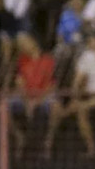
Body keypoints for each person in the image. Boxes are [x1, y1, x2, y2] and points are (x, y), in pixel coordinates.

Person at [8, 32, 60, 160]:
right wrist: (27, 102)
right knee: (3, 106)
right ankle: (19, 137)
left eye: (25, 43)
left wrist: (38, 100)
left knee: (56, 106)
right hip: (26, 95)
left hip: (44, 95)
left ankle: (48, 141)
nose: (23, 46)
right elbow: (20, 84)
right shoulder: (21, 61)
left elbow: (52, 85)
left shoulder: (48, 60)